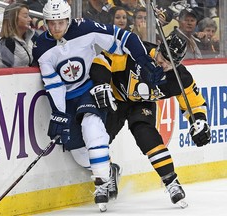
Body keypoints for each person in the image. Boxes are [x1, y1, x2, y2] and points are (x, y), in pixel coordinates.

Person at [32, 0, 165, 212]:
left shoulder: (84, 27)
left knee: (91, 126)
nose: (56, 28)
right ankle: (109, 170)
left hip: (91, 87)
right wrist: (58, 113)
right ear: (46, 22)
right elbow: (54, 84)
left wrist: (142, 60)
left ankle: (101, 183)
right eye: (51, 23)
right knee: (78, 153)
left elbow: (123, 37)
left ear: (68, 19)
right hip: (68, 98)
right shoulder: (41, 48)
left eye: (60, 22)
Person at [89, 33, 211, 208]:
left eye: (170, 63)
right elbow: (103, 60)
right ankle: (107, 173)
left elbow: (195, 104)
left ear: (178, 63)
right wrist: (101, 83)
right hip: (115, 97)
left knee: (146, 136)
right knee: (98, 139)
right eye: (163, 57)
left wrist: (199, 122)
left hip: (141, 104)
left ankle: (171, 182)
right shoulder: (139, 51)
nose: (163, 63)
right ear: (159, 48)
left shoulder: (179, 78)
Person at [0, 3, 35, 68]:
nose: (30, 19)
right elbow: (5, 70)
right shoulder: (7, 43)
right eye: (25, 16)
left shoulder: (32, 38)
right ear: (14, 19)